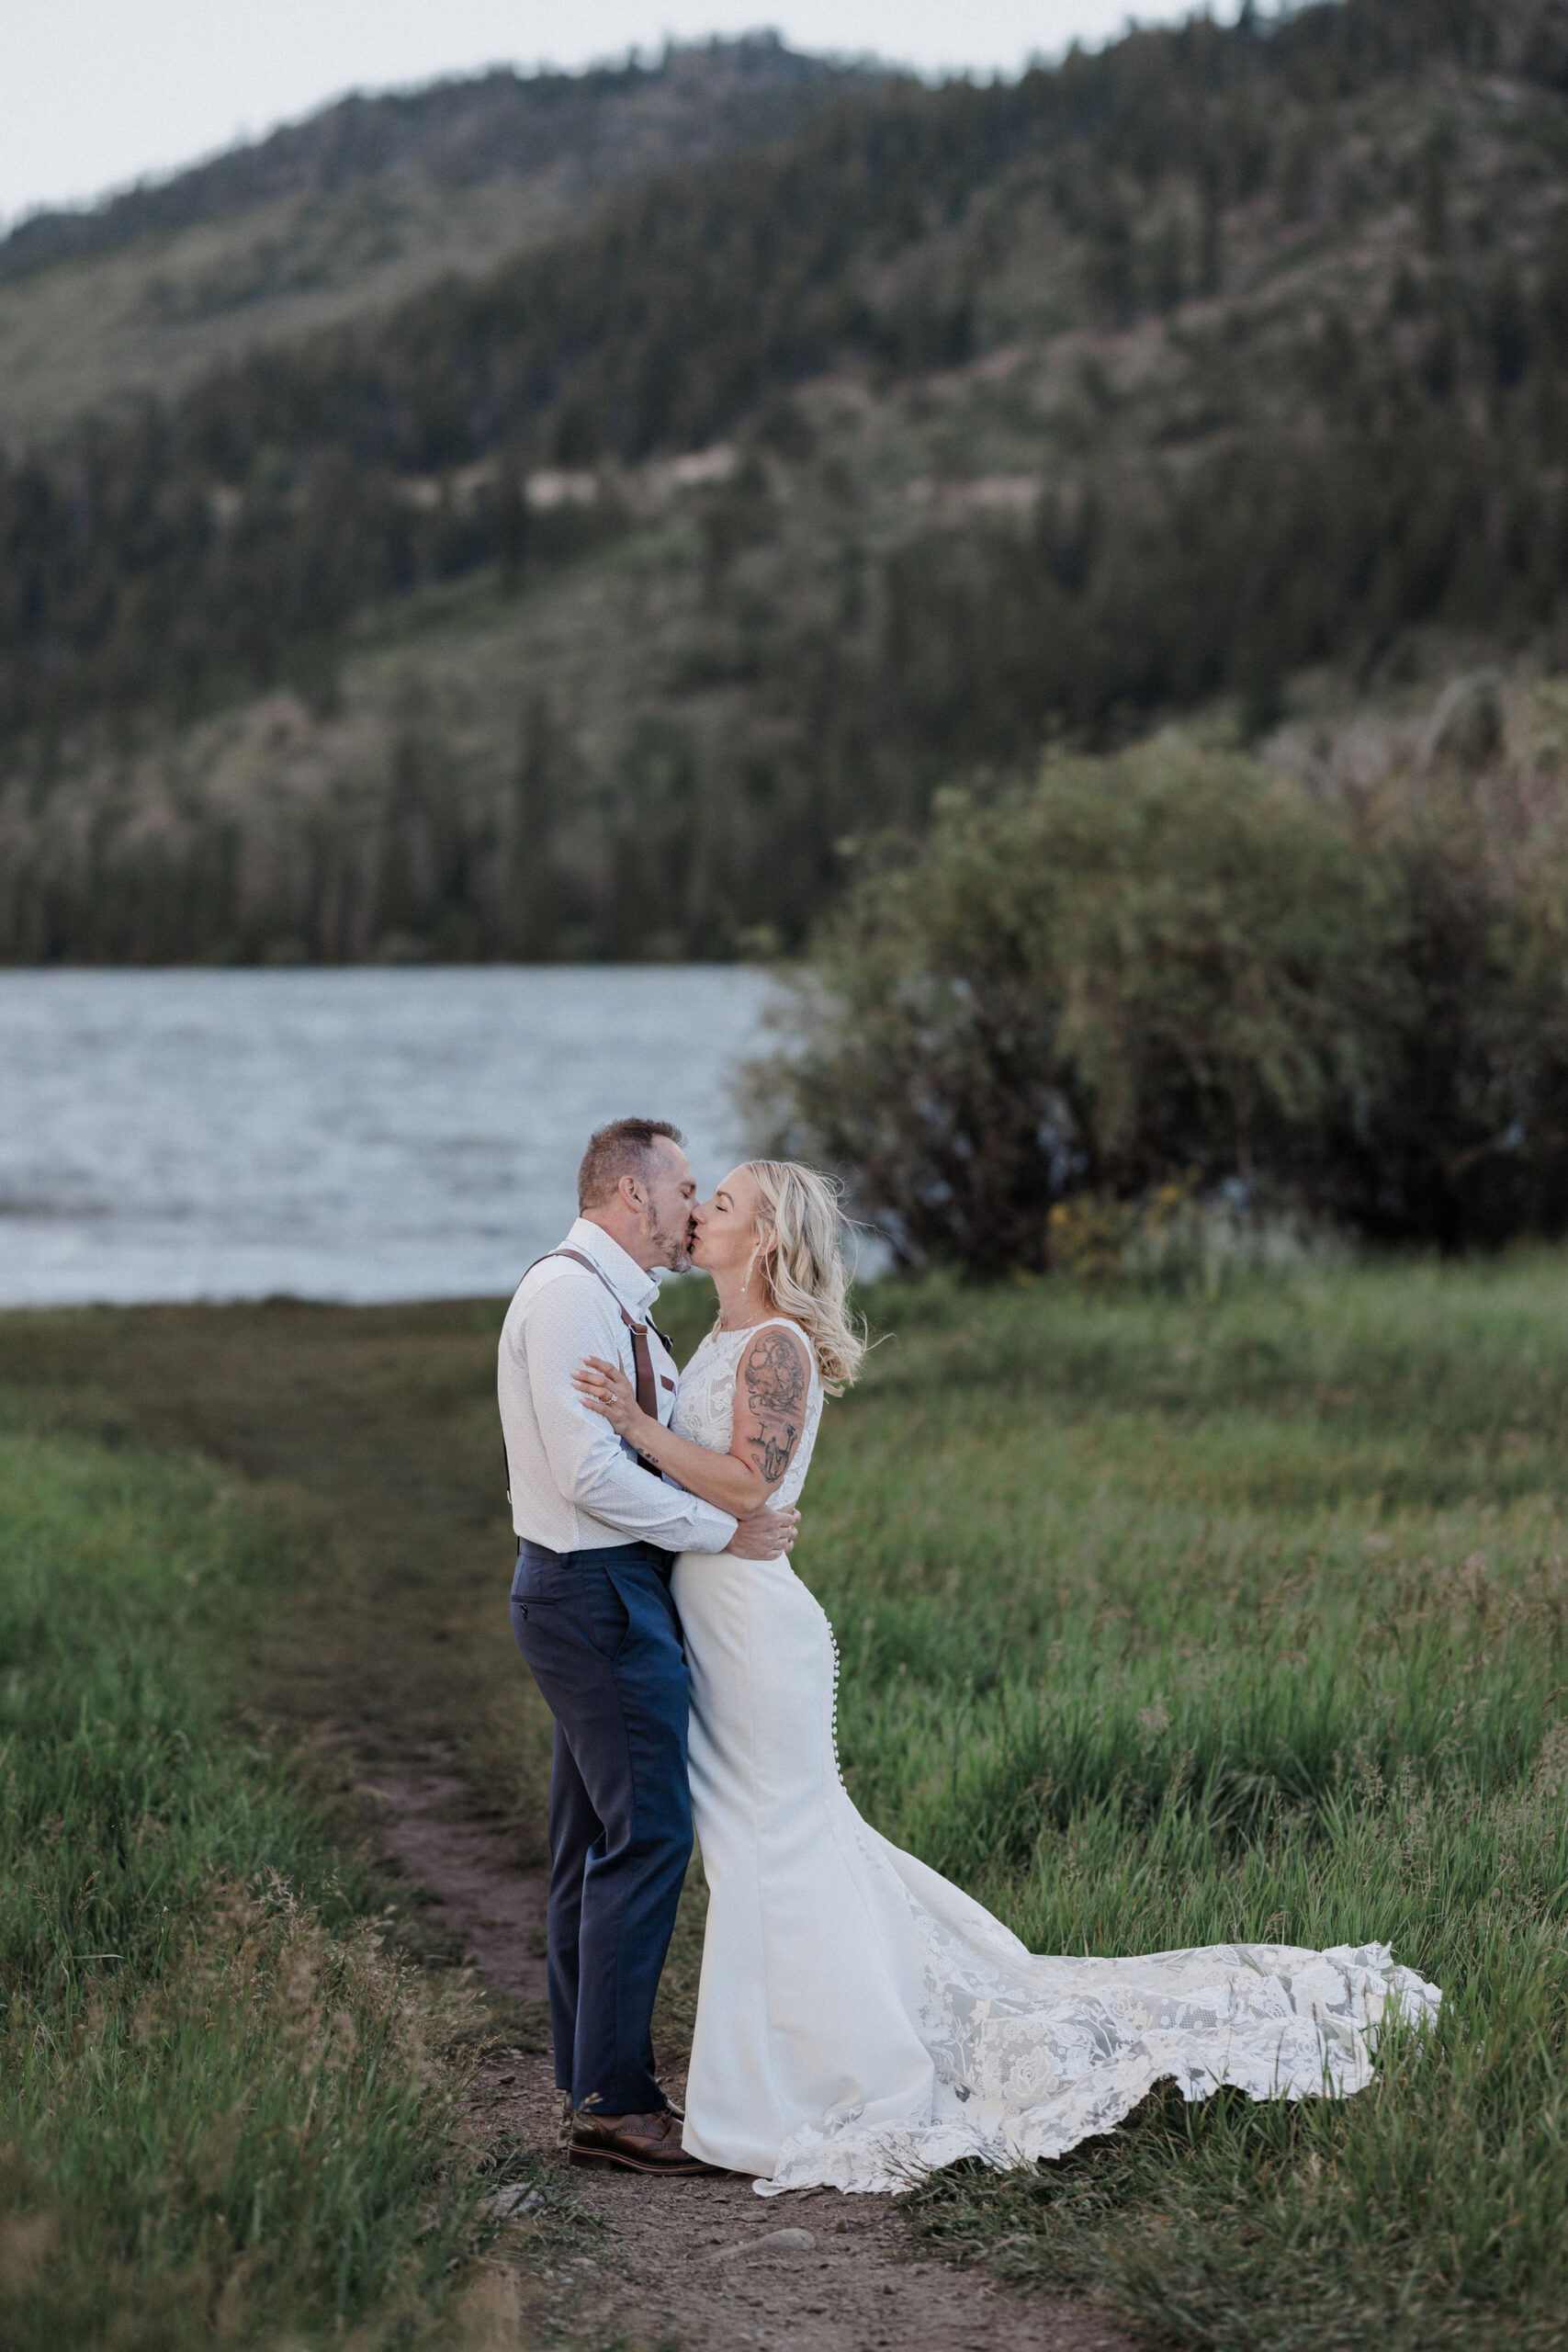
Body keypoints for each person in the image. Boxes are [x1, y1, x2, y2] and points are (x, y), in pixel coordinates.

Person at [573, 1158, 1443, 2195]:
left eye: (720, 1204)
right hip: (709, 1618)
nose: (699, 1212)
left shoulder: (777, 1346)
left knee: (776, 1837)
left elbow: (748, 1480)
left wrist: (632, 1428)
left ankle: (811, 2077)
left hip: (756, 1631)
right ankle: (802, 2052)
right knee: (764, 1838)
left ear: (762, 1237)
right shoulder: (712, 1339)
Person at [501, 1117, 799, 2177]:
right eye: (683, 1190)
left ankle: (591, 2084)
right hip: (595, 1591)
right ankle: (617, 2104)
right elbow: (591, 1476)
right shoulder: (574, 1295)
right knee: (650, 1837)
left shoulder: (616, 1300)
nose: (690, 1211)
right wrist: (724, 1530)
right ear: (632, 1194)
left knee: (596, 1840)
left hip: (600, 1588)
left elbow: (654, 1455)